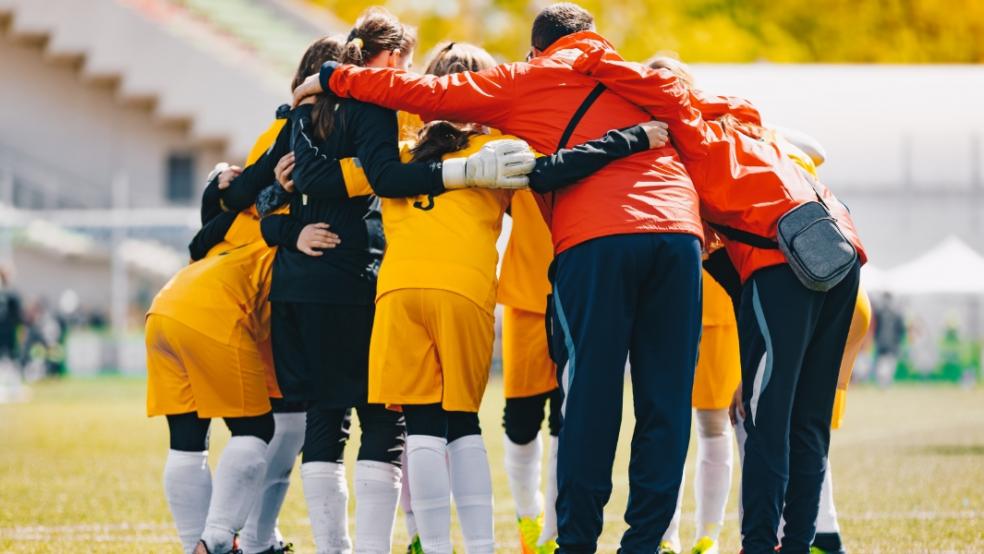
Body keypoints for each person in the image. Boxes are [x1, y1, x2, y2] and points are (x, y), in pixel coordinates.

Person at [294, 4, 706, 552]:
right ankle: (646, 542)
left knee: (580, 399)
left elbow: (357, 162)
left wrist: (324, 86)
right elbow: (705, 121)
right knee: (664, 399)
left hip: (421, 283)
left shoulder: (489, 103)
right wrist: (633, 142)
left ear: (536, 51)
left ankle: (558, 541)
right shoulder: (627, 83)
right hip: (672, 232)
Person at [255, 10, 540, 553]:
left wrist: (280, 187)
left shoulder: (401, 152)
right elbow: (546, 191)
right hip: (462, 291)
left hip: (397, 293)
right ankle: (479, 545)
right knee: (463, 424)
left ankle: (431, 547)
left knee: (423, 426)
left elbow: (337, 176)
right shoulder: (501, 147)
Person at [565, 49, 866, 554]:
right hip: (840, 256)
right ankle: (796, 545)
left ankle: (758, 545)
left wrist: (585, 58)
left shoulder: (691, 135)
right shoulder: (743, 121)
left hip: (784, 269)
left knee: (767, 422)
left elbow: (729, 258)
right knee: (805, 421)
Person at [203, 35, 347, 554]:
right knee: (285, 425)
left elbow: (238, 194)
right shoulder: (301, 126)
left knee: (285, 424)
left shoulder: (290, 125)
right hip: (269, 283)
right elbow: (246, 201)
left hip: (267, 282)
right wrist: (275, 207)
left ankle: (251, 535)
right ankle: (238, 536)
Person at [498, 188, 563, 554]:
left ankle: (553, 530)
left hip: (576, 295)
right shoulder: (516, 144)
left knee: (566, 419)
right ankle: (529, 516)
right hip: (524, 297)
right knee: (520, 423)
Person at [659, 269, 740, 554]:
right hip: (669, 299)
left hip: (721, 300)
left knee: (715, 422)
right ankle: (666, 534)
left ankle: (708, 537)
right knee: (666, 423)